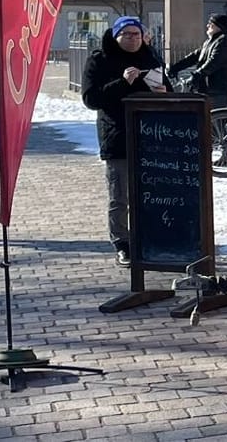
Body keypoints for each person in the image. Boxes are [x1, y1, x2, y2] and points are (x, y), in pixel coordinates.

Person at [81, 16, 171, 267]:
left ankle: (149, 237)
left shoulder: (150, 58)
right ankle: (122, 242)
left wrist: (164, 93)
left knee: (149, 193)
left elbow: (170, 90)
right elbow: (91, 99)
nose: (133, 39)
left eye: (137, 34)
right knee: (119, 195)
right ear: (116, 35)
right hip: (117, 135)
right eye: (127, 35)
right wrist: (123, 83)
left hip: (151, 137)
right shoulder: (99, 59)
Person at [170, 14, 227, 109]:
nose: (207, 26)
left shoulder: (223, 42)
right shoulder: (210, 42)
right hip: (207, 88)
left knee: (212, 118)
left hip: (218, 89)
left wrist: (196, 75)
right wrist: (175, 67)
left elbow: (213, 63)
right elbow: (194, 57)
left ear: (219, 26)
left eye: (210, 23)